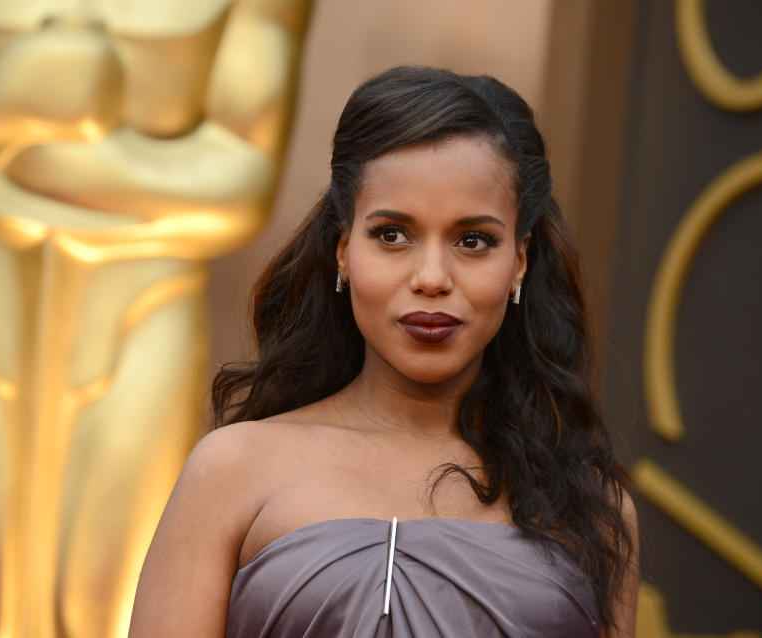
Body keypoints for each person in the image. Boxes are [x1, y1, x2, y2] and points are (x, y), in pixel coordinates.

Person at [128, 66, 639, 637]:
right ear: (344, 250)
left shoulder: (591, 506)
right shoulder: (233, 470)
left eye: (474, 241)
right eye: (392, 234)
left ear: (519, 261)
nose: (431, 277)